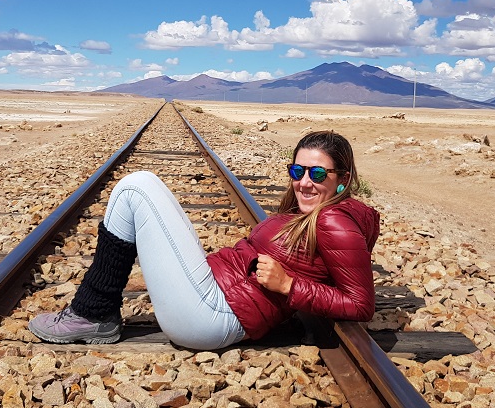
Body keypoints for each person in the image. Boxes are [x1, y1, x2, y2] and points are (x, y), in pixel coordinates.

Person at [28, 130, 380, 350]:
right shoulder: (314, 212)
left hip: (214, 316)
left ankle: (93, 313)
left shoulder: (335, 222)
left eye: (318, 173)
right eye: (297, 171)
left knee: (137, 186)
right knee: (138, 188)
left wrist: (289, 285)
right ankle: (94, 311)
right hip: (215, 295)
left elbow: (361, 304)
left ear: (342, 179)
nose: (304, 182)